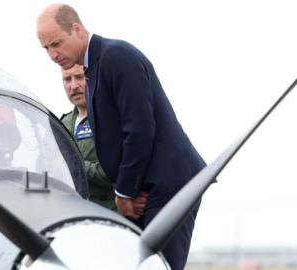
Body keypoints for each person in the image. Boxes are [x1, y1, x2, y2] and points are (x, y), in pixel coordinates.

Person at [37, 4, 206, 270]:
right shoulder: (94, 68)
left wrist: (125, 191)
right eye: (46, 48)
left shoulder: (116, 56)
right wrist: (128, 191)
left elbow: (139, 129)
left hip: (168, 187)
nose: (52, 55)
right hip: (146, 191)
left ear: (77, 29)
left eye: (56, 43)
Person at [59, 64, 147, 211]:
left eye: (79, 77)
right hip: (70, 213)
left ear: (91, 77)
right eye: (67, 79)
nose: (73, 86)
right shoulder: (61, 124)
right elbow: (46, 168)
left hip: (108, 214)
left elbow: (117, 172)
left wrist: (74, 165)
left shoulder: (111, 119)